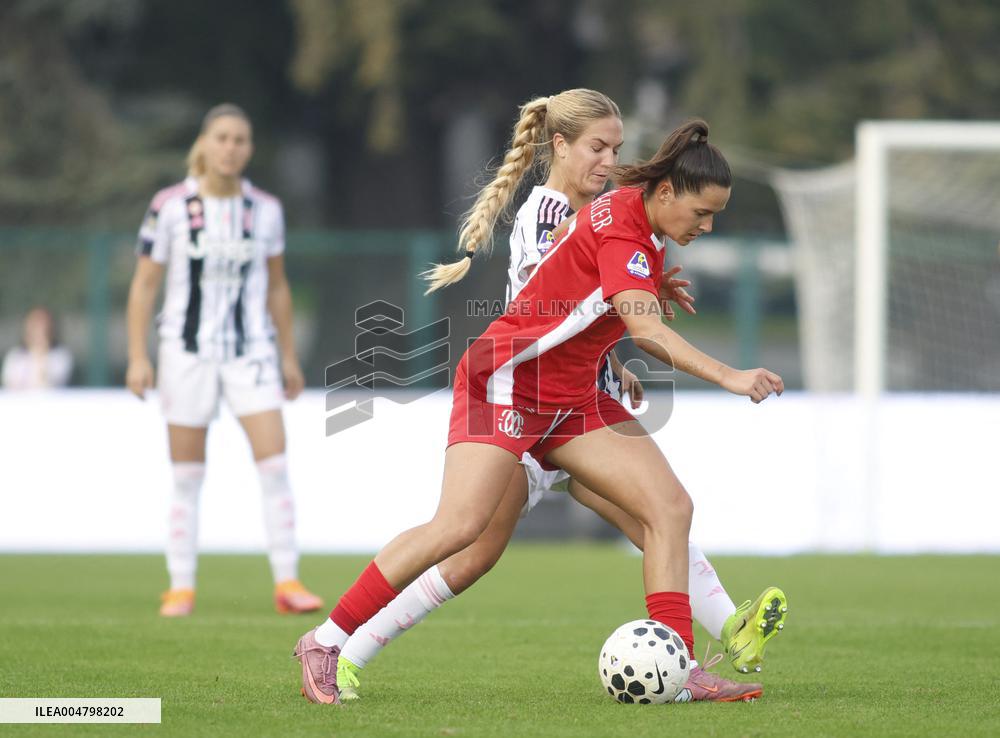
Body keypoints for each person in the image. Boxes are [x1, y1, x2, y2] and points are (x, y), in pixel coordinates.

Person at [294, 113, 784, 705]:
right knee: (459, 530)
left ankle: (677, 667)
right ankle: (326, 641)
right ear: (665, 191)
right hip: (506, 381)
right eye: (702, 212)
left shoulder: (632, 214)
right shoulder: (623, 225)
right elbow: (646, 331)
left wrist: (642, 290)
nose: (707, 226)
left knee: (669, 508)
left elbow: (584, 275)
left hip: (573, 396)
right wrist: (730, 374)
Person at [125, 103, 323, 617]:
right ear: (204, 144)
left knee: (275, 464)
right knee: (188, 474)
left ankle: (287, 581)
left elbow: (277, 286)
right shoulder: (169, 206)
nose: (230, 147)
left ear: (248, 149)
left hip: (250, 351)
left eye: (240, 139)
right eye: (222, 138)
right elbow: (145, 285)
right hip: (185, 353)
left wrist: (288, 356)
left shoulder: (265, 210)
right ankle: (181, 585)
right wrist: (136, 356)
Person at [2, 307, 73, 389]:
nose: (39, 331)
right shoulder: (15, 356)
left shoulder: (61, 356)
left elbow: (49, 385)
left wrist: (41, 354)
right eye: (35, 327)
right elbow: (10, 386)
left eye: (43, 327)